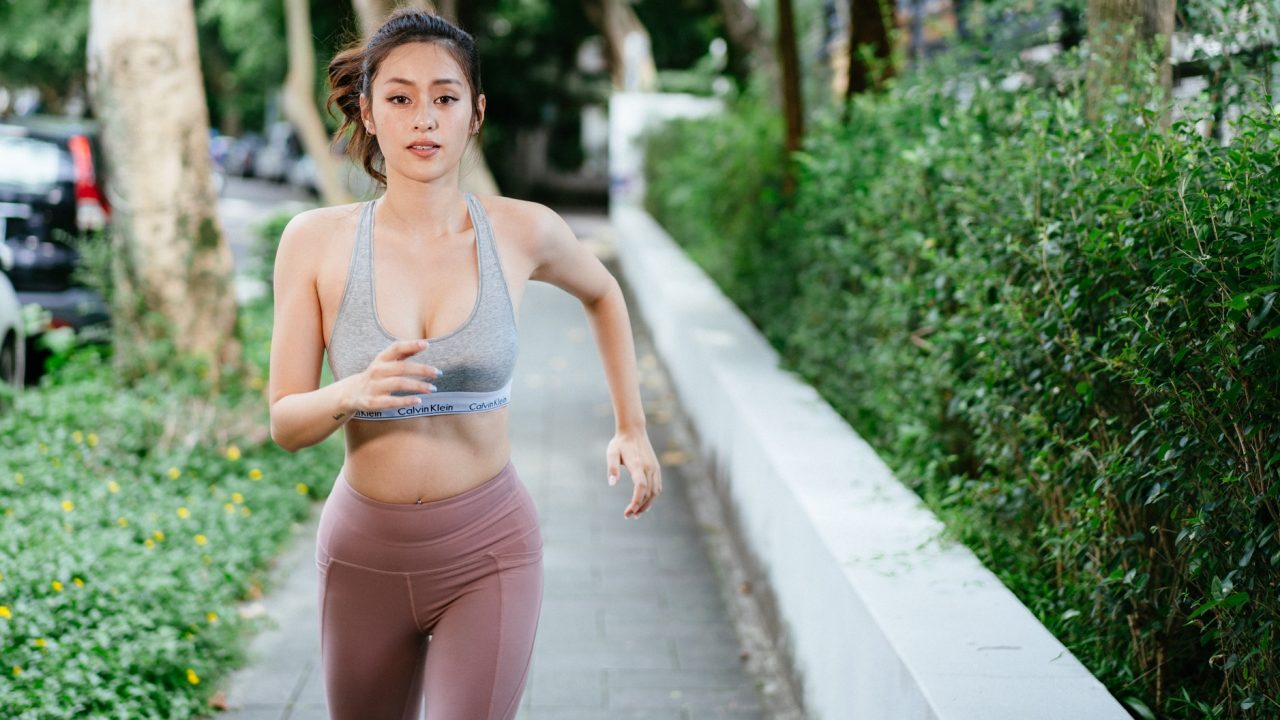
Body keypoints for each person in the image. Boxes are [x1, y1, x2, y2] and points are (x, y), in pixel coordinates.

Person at [266, 9, 662, 719]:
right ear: (367, 110)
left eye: (445, 97)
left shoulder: (523, 229)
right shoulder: (314, 243)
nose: (425, 117)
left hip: (491, 551)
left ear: (475, 113)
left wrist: (630, 426)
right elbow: (286, 424)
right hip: (362, 555)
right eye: (400, 97)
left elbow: (604, 294)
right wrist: (349, 393)